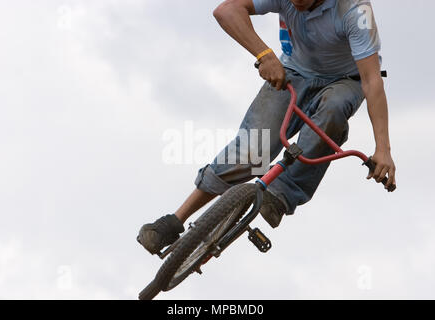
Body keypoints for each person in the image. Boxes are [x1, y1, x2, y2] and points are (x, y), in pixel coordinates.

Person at [137, 0, 397, 255]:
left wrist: (382, 149)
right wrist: (264, 54)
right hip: (294, 70)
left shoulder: (354, 10)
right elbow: (226, 10)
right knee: (251, 152)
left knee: (332, 111)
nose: (296, 5)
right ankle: (173, 221)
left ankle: (281, 194)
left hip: (344, 80)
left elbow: (372, 81)